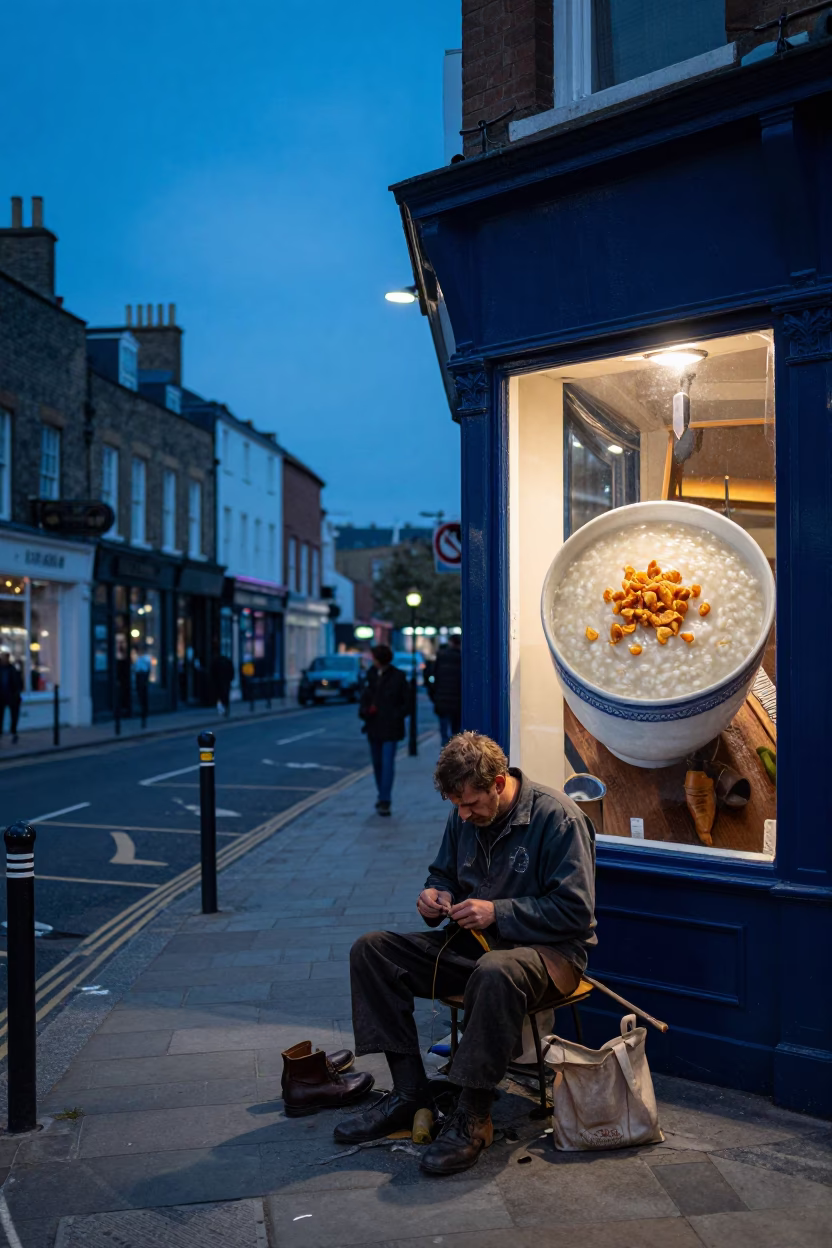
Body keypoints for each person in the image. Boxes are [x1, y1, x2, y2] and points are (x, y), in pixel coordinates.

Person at [335, 731, 597, 1175]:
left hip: (550, 955)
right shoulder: (464, 816)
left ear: (498, 783)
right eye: (456, 805)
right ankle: (408, 1094)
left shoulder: (558, 819)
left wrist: (498, 911)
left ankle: (473, 1117)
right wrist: (433, 896)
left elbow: (576, 911)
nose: (462, 814)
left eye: (471, 804)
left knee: (496, 971)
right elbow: (443, 873)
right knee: (372, 951)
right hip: (472, 950)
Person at [359, 643, 410, 817]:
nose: (371, 660)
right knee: (378, 765)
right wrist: (365, 711)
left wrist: (396, 715)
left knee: (387, 764)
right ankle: (382, 795)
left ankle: (385, 800)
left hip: (390, 727)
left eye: (373, 657)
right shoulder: (370, 675)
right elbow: (364, 699)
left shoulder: (398, 676)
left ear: (379, 659)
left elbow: (407, 703)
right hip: (373, 726)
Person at [431, 635, 462, 745]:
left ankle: (445, 752)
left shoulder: (441, 656)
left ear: (450, 642)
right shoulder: (462, 657)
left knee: (444, 731)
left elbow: (433, 676)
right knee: (456, 730)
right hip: (458, 699)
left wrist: (434, 695)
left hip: (442, 699)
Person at [0, 651, 23, 743]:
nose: (4, 660)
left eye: (6, 658)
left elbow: (19, 683)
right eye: (3, 658)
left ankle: (13, 733)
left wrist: (17, 693)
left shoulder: (13, 669)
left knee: (14, 716)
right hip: (1, 697)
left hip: (12, 696)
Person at [212, 652, 235, 717]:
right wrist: (231, 679)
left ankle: (221, 709)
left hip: (219, 681)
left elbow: (213, 672)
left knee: (220, 696)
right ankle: (226, 708)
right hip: (226, 681)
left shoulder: (216, 662)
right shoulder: (228, 661)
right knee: (226, 695)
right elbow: (232, 671)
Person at [133, 648, 151, 728]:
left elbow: (148, 669)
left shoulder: (145, 658)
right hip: (139, 677)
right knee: (140, 695)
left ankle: (144, 714)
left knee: (144, 696)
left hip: (143, 677)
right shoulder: (138, 658)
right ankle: (143, 713)